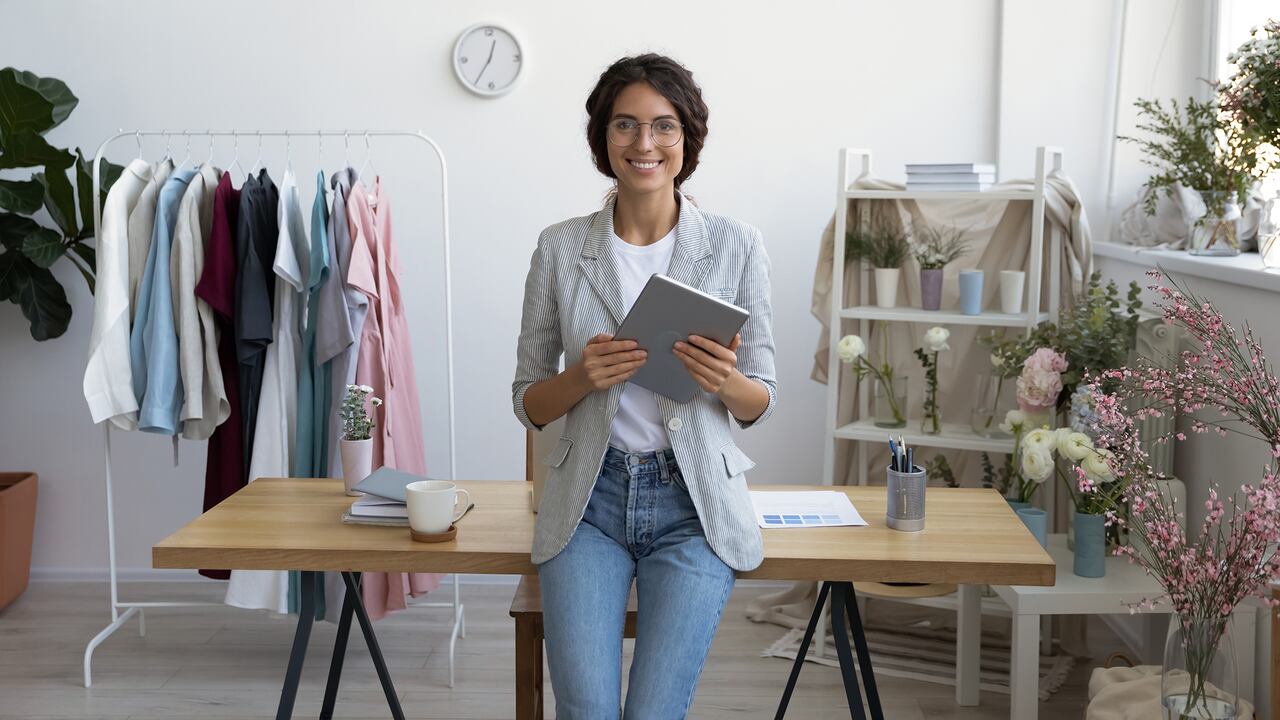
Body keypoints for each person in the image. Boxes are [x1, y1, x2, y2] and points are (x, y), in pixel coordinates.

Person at [511, 53, 777, 719]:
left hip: (693, 508)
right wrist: (581, 377)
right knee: (587, 711)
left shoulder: (737, 245)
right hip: (588, 506)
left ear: (688, 139)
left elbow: (762, 396)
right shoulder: (560, 248)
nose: (644, 144)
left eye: (663, 127)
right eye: (625, 126)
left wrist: (724, 380)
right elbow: (528, 401)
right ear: (603, 139)